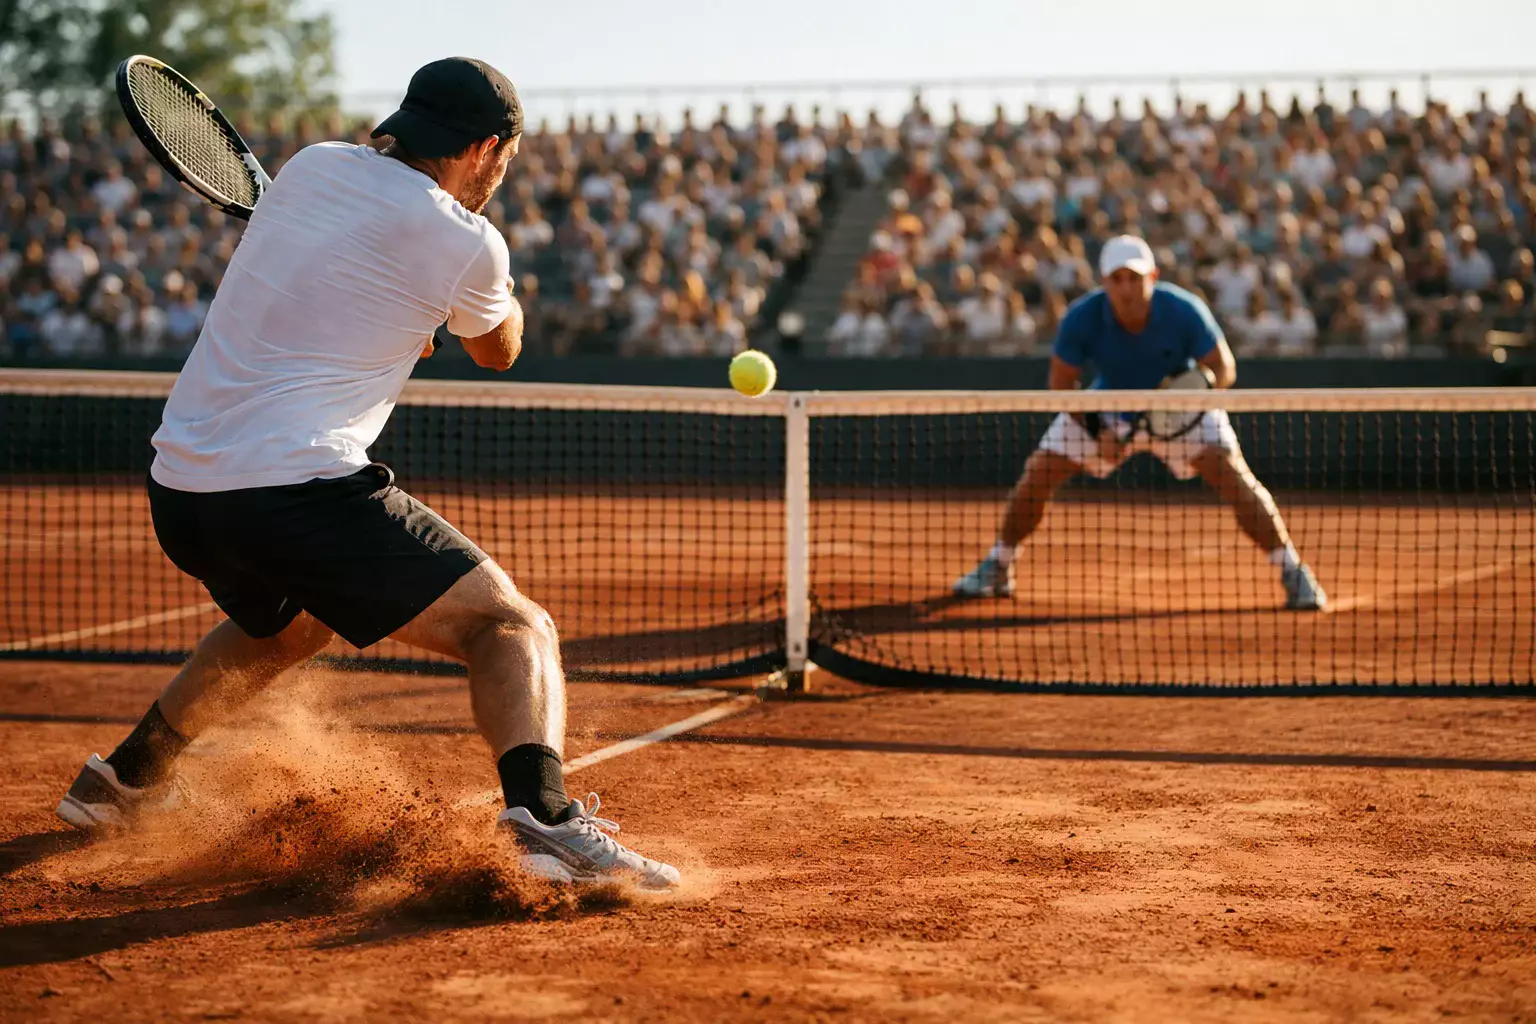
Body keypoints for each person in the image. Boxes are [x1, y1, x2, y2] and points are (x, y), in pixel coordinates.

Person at [53, 58, 678, 891]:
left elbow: (335, 283)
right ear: (486, 149)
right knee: (512, 628)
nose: (501, 179)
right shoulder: (467, 242)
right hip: (290, 489)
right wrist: (478, 298)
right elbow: (498, 351)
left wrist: (409, 310)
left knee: (289, 628)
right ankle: (548, 822)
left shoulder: (312, 165)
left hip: (183, 484)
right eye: (506, 163)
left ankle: (127, 780)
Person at [953, 235, 1327, 611]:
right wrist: (1098, 431)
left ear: (1153, 276)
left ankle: (1292, 571)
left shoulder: (1184, 309)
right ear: (1104, 283)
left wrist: (1188, 396)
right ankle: (998, 565)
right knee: (1040, 470)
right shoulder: (1082, 317)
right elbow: (1060, 385)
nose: (1127, 288)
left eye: (1135, 278)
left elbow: (1223, 367)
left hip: (1182, 409)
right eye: (1117, 279)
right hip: (1110, 405)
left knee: (1232, 474)